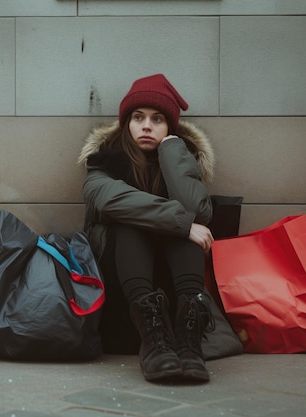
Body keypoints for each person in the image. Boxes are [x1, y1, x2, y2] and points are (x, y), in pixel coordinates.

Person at [77, 74, 216, 382]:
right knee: (133, 225)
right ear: (126, 123)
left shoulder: (181, 160)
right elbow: (110, 200)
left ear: (170, 128)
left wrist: (173, 153)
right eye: (138, 117)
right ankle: (153, 341)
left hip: (172, 283)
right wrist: (181, 224)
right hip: (118, 288)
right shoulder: (104, 162)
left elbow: (198, 212)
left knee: (186, 231)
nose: (147, 125)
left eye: (158, 119)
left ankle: (188, 344)